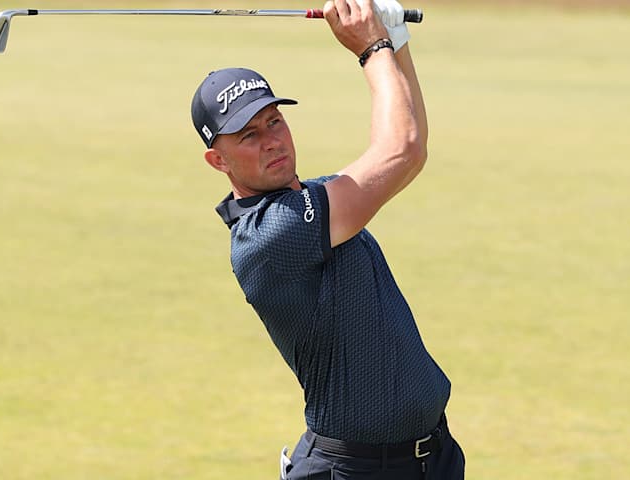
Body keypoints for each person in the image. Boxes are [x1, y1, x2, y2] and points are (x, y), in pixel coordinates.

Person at [190, 0, 465, 478]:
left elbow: (410, 147)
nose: (272, 140)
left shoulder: (314, 199)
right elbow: (398, 150)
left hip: (430, 460)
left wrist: (395, 43)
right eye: (249, 135)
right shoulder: (269, 238)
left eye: (274, 121)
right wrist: (372, 48)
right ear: (219, 162)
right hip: (355, 470)